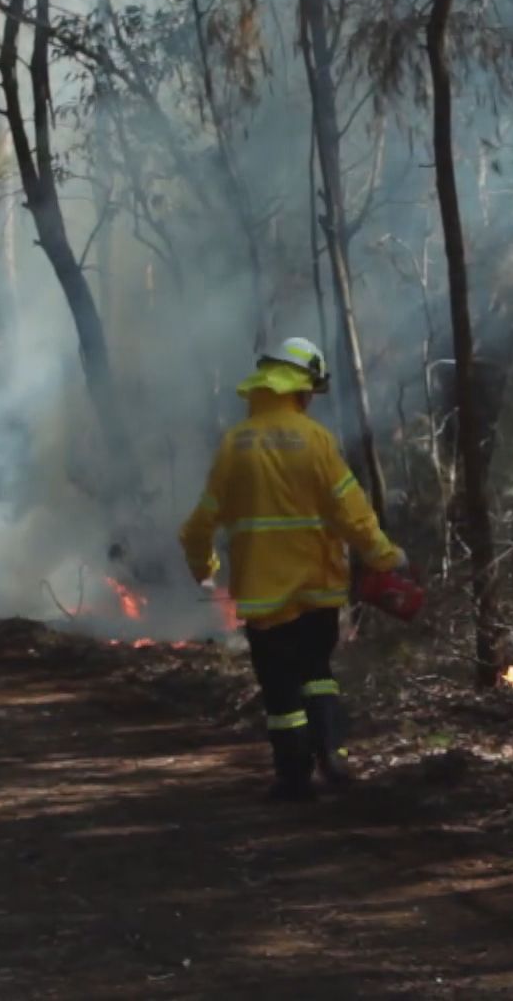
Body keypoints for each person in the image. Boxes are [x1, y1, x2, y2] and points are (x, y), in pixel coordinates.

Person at [180, 337, 407, 802]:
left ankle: (293, 776)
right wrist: (387, 557)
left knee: (280, 688)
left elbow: (199, 524)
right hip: (318, 588)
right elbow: (353, 514)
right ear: (302, 389)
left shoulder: (235, 445)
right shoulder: (316, 440)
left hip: (263, 595)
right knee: (318, 668)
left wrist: (204, 567)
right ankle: (332, 754)